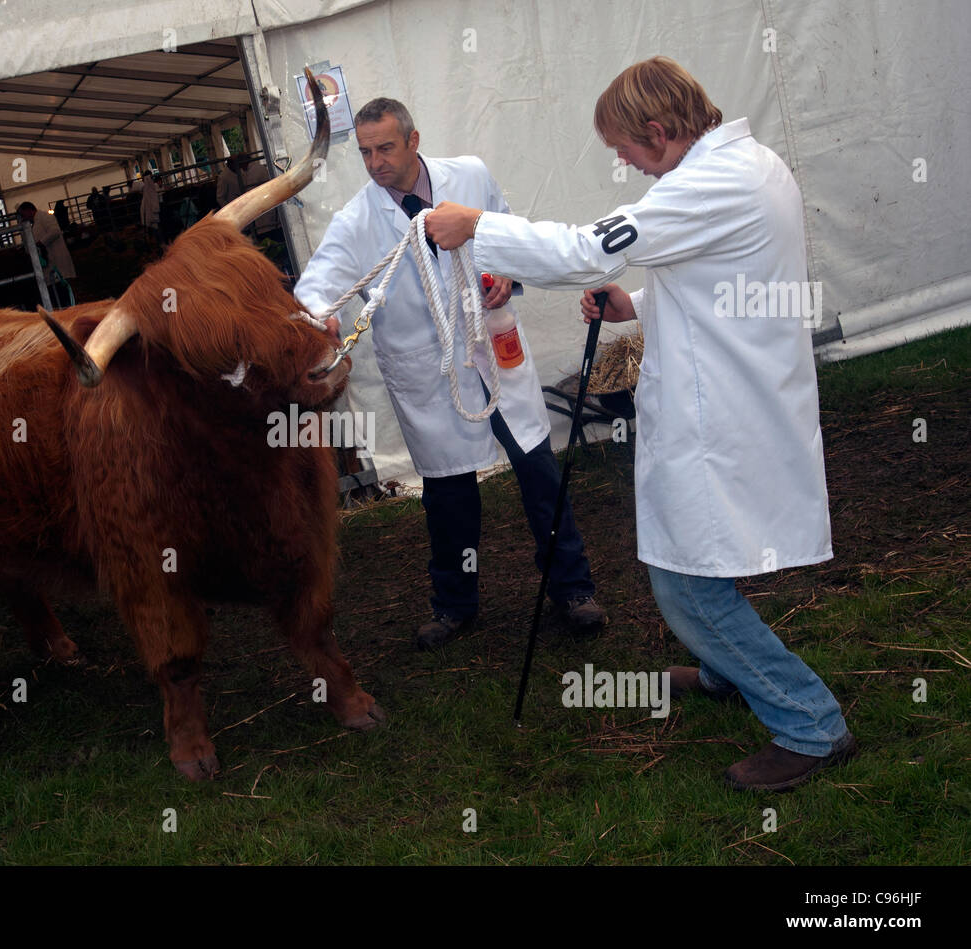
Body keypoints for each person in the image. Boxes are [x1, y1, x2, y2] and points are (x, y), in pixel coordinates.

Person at [425, 56, 856, 791]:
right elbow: (728, 286)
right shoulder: (750, 165)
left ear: (658, 130)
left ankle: (809, 722)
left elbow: (587, 248)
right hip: (732, 391)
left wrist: (476, 228)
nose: (622, 161)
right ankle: (729, 674)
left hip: (722, 412)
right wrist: (640, 306)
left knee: (685, 581)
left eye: (624, 148)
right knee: (703, 556)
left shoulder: (707, 183)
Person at [294, 97, 606, 651]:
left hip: (496, 352)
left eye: (385, 148)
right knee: (448, 498)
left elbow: (511, 241)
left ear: (414, 141)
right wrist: (313, 329)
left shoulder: (471, 176)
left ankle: (573, 588)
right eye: (365, 152)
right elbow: (317, 294)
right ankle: (455, 604)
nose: (375, 162)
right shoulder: (356, 223)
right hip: (431, 379)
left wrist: (507, 276)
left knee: (539, 475)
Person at [16, 201, 76, 292]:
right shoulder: (34, 223)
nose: (23, 217)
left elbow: (55, 231)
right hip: (50, 260)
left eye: (23, 214)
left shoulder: (45, 217)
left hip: (57, 257)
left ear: (29, 210)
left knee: (64, 286)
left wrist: (40, 243)